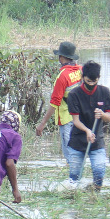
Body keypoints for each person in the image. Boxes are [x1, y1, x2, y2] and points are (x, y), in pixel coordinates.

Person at [64, 60, 110, 190]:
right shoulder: (74, 94)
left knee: (99, 173)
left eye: (94, 81)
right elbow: (76, 120)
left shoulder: (104, 92)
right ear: (82, 77)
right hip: (78, 140)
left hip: (97, 141)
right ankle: (74, 196)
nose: (91, 84)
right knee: (74, 177)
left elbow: (109, 118)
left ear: (99, 78)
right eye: (88, 81)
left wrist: (102, 115)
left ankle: (94, 195)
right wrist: (87, 131)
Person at [33, 42, 82, 171]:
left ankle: (73, 179)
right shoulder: (80, 70)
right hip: (79, 117)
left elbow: (55, 102)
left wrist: (42, 124)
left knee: (69, 152)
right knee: (76, 150)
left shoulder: (62, 76)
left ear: (61, 57)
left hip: (66, 119)